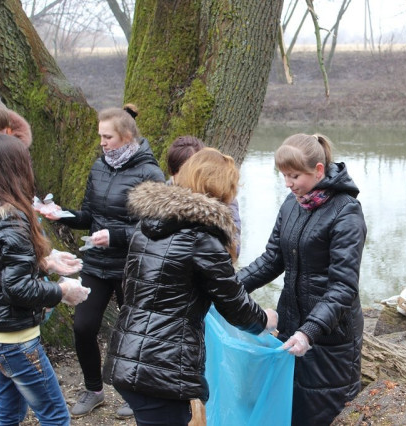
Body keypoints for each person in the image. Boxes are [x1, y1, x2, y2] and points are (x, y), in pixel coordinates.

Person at [102, 147, 278, 426]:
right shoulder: (203, 239)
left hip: (128, 354)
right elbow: (235, 305)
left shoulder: (146, 227)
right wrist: (264, 320)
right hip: (162, 369)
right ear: (220, 190)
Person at [43, 104, 165, 419]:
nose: (102, 143)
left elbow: (158, 226)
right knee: (83, 327)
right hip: (96, 263)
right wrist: (61, 214)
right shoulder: (99, 166)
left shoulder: (150, 173)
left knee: (134, 333)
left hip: (132, 265)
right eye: (100, 136)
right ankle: (94, 389)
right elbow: (88, 216)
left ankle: (136, 393)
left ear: (126, 136)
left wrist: (116, 236)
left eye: (107, 137)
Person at [237, 133, 367, 425]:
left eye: (294, 176)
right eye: (284, 175)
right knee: (290, 410)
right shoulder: (291, 203)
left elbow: (343, 287)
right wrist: (228, 287)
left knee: (323, 415)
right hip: (291, 328)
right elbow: (272, 259)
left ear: (318, 171)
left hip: (331, 338)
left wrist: (309, 331)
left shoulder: (346, 211)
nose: (288, 183)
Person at [0, 134, 89, 425]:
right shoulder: (12, 219)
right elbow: (16, 287)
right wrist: (62, 290)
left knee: (9, 414)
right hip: (16, 341)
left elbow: (1, 270)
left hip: (0, 338)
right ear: (14, 169)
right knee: (56, 417)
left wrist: (45, 262)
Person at [166, 135, 242, 254]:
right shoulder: (161, 199)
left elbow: (233, 248)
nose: (183, 177)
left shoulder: (226, 200)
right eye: (179, 171)